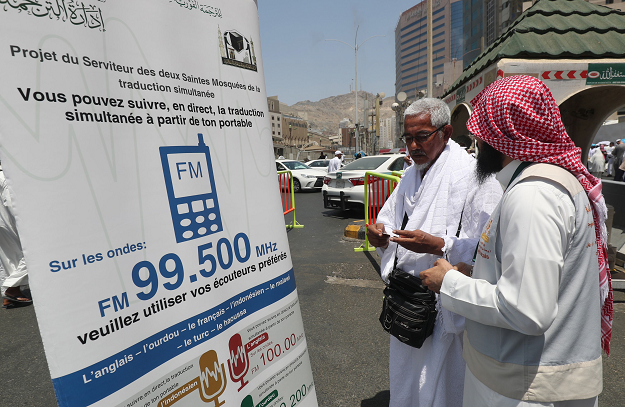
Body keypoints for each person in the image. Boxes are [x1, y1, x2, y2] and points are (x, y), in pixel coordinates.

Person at [419, 76, 611, 407]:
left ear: (502, 136)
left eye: (482, 133)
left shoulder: (533, 196)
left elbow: (527, 310)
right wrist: (477, 275)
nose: (478, 142)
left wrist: (448, 283)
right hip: (526, 379)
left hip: (523, 390)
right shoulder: (546, 183)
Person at [366, 98, 502, 407]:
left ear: (446, 132)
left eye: (422, 136)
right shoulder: (411, 174)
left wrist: (440, 245)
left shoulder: (473, 175)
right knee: (406, 379)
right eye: (408, 137)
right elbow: (388, 217)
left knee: (444, 386)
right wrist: (378, 234)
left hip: (444, 307)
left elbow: (490, 245)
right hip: (407, 301)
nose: (413, 145)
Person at [0, 170, 31, 309]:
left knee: (8, 250)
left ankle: (10, 293)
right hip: (7, 176)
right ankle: (11, 287)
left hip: (5, 176)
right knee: (31, 246)